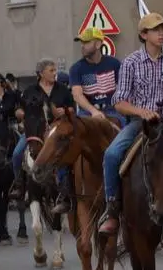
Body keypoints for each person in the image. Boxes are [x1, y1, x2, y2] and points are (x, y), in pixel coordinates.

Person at [98, 13, 163, 235]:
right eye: (156, 30)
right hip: (141, 124)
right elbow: (119, 102)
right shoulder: (131, 62)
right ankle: (113, 209)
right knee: (112, 155)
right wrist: (141, 111)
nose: (161, 34)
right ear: (144, 34)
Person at [50, 28, 124, 215]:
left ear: (98, 44)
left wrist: (113, 109)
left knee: (131, 140)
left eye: (87, 42)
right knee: (67, 143)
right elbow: (77, 94)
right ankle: (65, 192)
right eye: (81, 43)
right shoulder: (77, 68)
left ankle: (131, 187)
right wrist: (92, 111)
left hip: (114, 111)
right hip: (86, 113)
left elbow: (122, 91)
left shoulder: (115, 64)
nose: (83, 46)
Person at [10, 59, 73, 200]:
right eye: (51, 70)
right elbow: (19, 108)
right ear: (41, 73)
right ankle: (19, 185)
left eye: (55, 70)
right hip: (34, 131)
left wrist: (65, 111)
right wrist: (20, 113)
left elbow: (72, 107)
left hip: (57, 131)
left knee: (68, 154)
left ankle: (66, 187)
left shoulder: (62, 89)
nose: (54, 73)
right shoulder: (30, 91)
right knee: (17, 154)